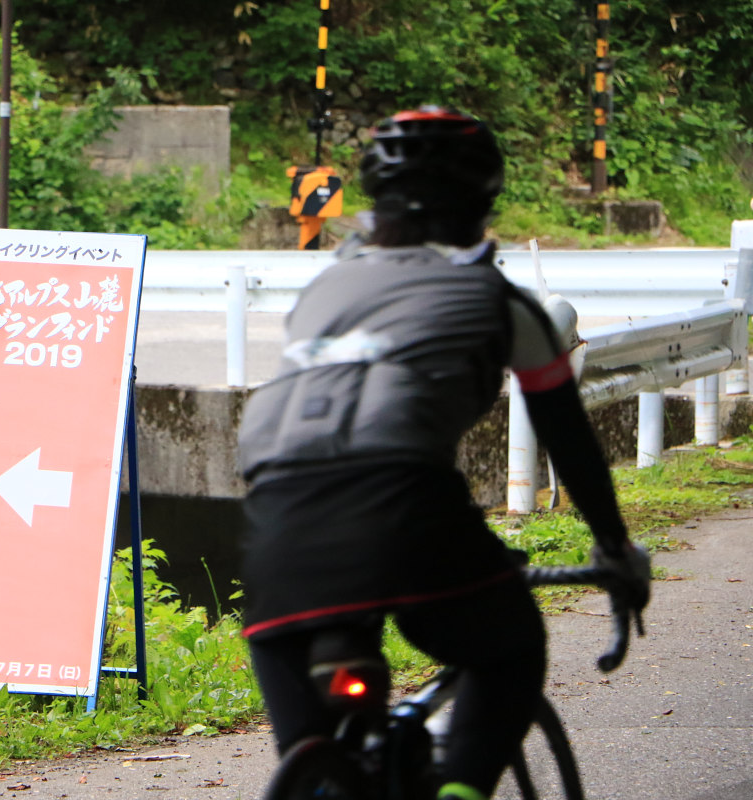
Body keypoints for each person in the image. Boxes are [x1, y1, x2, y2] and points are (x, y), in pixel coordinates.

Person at [237, 106, 651, 800]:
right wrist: (614, 549)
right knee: (511, 646)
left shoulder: (327, 288)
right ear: (484, 200)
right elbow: (568, 437)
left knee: (320, 773)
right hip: (403, 505)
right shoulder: (498, 301)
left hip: (276, 519)